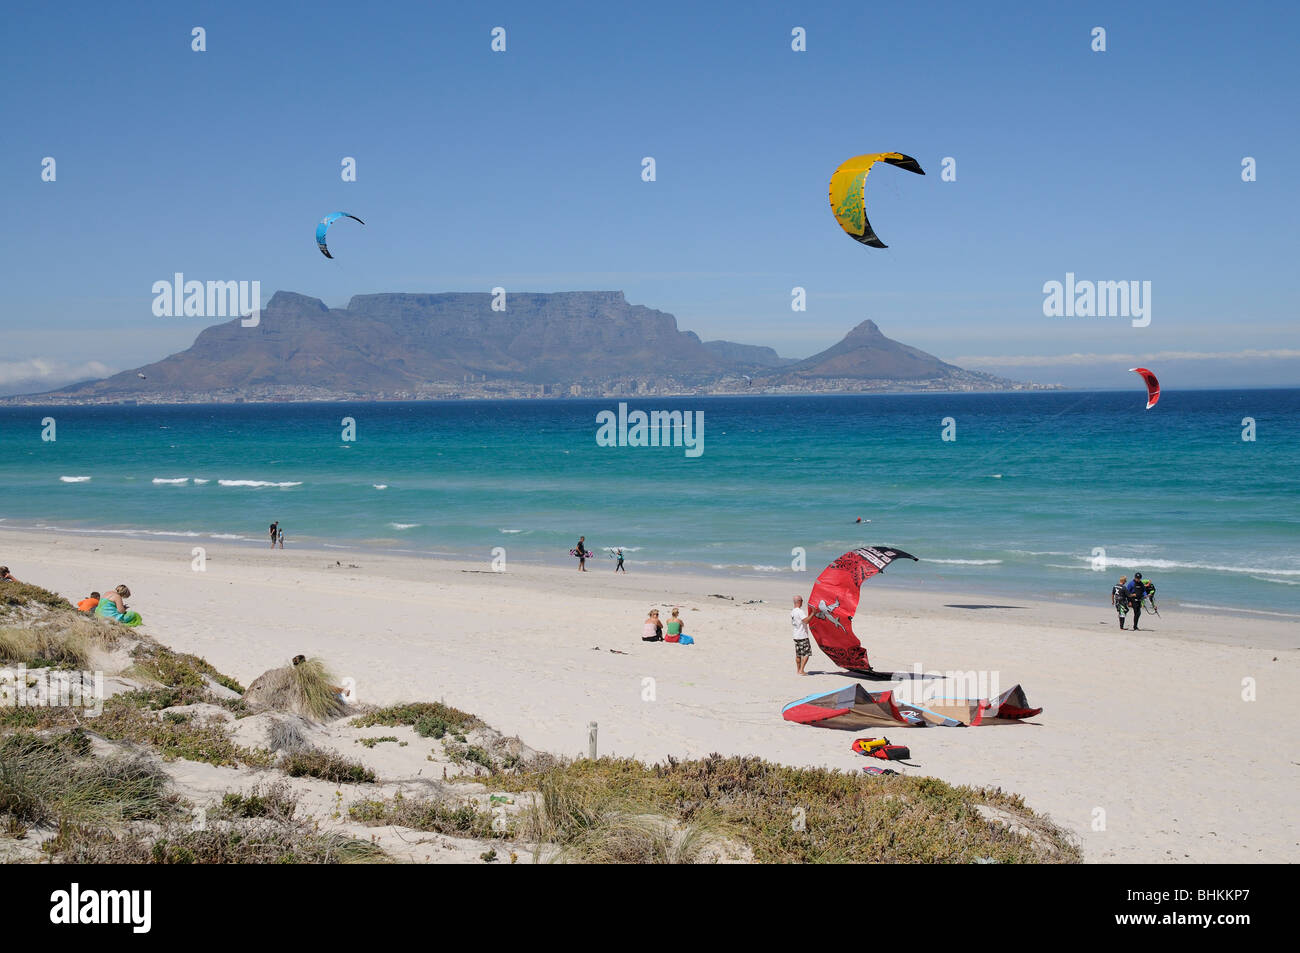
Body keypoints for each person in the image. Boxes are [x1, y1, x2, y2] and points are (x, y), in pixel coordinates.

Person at [791, 595, 815, 675]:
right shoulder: (799, 611)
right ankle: (801, 670)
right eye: (802, 600)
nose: (802, 602)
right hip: (802, 635)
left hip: (796, 635)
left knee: (798, 654)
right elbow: (806, 621)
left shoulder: (793, 611)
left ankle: (798, 670)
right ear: (799, 601)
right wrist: (813, 613)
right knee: (806, 654)